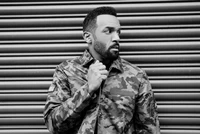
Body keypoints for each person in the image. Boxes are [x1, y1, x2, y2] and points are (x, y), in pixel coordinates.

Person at [44, 6, 160, 134]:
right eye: (109, 31)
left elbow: (149, 129)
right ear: (88, 37)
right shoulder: (66, 71)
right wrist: (88, 89)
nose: (117, 38)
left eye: (118, 32)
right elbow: (53, 125)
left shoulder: (137, 76)